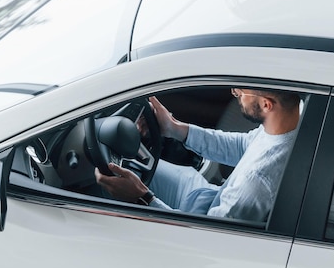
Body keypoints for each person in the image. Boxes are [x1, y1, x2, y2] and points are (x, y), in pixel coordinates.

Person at [95, 88, 301, 222]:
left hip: (202, 220)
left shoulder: (256, 183)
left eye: (243, 92)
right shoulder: (293, 120)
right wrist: (174, 128)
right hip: (207, 196)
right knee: (131, 168)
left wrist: (142, 198)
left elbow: (207, 237)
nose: (235, 92)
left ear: (266, 105)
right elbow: (242, 145)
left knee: (109, 182)